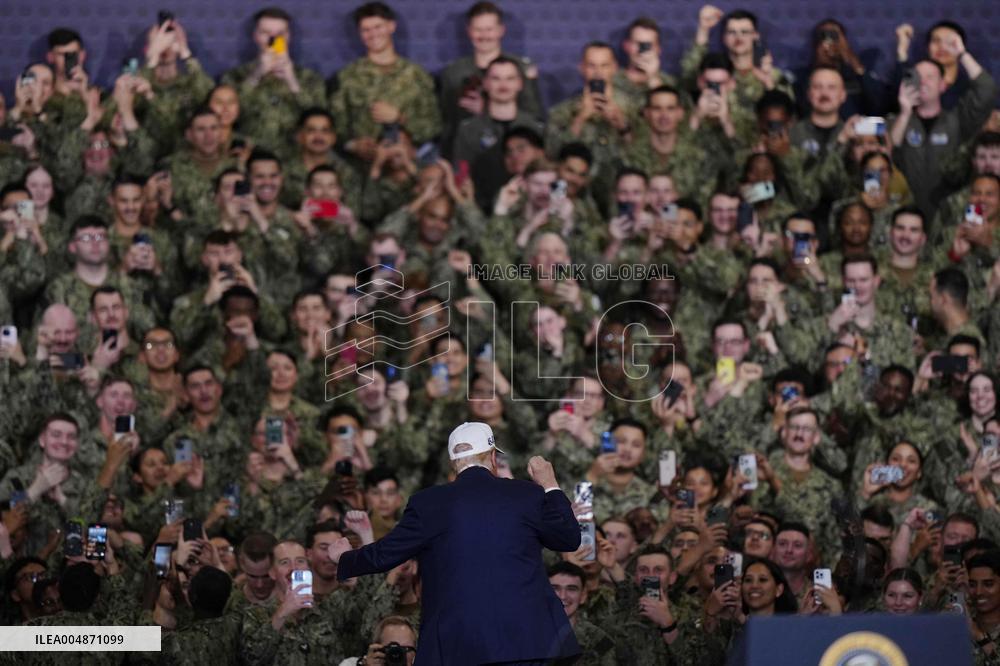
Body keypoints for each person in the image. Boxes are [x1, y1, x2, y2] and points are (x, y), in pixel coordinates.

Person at [330, 422, 582, 664]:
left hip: (458, 647)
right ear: (492, 457)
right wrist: (549, 484)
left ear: (454, 462)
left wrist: (345, 558)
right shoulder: (526, 494)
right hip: (528, 644)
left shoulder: (427, 503)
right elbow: (569, 538)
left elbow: (384, 554)